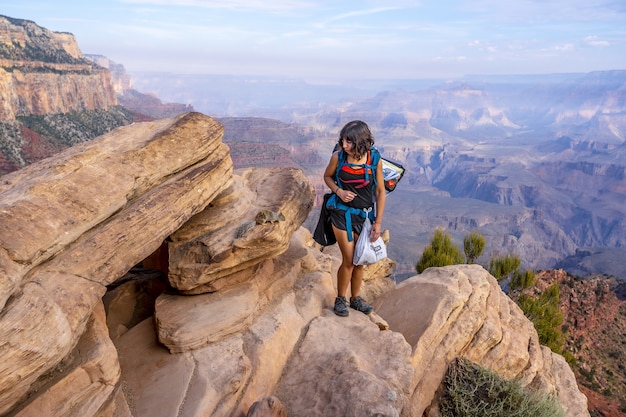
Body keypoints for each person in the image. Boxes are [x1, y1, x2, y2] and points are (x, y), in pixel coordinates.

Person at [323, 120, 386, 317]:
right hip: (342, 214)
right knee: (349, 260)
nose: (344, 145)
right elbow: (327, 177)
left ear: (361, 142)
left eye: (349, 142)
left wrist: (377, 223)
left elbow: (380, 191)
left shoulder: (374, 159)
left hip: (365, 216)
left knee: (360, 260)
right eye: (342, 141)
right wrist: (339, 191)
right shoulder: (338, 157)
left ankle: (355, 298)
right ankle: (341, 298)